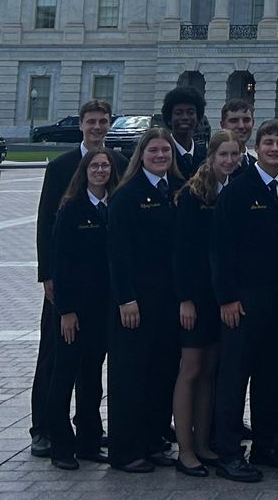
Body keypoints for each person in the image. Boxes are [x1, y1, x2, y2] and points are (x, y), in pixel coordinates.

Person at [210, 118, 278, 481]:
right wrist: (227, 298)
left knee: (271, 376)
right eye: (269, 143)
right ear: (256, 149)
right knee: (234, 377)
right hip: (244, 301)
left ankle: (267, 443)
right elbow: (221, 250)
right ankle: (227, 450)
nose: (275, 149)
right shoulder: (238, 191)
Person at [31, 99, 119, 459]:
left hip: (99, 291)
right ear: (81, 124)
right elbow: (45, 225)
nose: (97, 127)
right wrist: (47, 276)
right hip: (63, 284)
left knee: (89, 365)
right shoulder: (61, 166)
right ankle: (44, 429)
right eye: (91, 122)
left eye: (103, 122)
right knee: (54, 357)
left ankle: (86, 432)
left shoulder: (117, 164)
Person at [107, 127, 184, 472]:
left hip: (167, 301)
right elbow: (118, 253)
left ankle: (154, 441)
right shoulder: (127, 195)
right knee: (131, 375)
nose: (160, 156)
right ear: (142, 155)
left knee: (161, 373)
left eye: (165, 151)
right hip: (136, 302)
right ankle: (125, 449)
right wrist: (125, 298)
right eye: (153, 151)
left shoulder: (176, 191)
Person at [172, 129, 242, 475]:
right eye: (223, 155)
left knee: (210, 371)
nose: (229, 161)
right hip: (196, 296)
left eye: (234, 155)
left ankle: (202, 442)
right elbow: (182, 252)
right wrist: (185, 299)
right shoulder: (193, 195)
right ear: (211, 158)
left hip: (220, 295)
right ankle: (185, 450)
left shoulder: (234, 190)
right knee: (191, 369)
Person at [45, 147, 118, 468]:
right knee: (64, 375)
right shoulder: (71, 209)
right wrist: (65, 311)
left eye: (105, 166)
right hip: (75, 309)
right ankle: (61, 444)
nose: (101, 170)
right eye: (95, 166)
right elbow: (60, 265)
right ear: (84, 172)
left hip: (103, 309)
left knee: (91, 376)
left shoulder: (114, 206)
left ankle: (88, 440)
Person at [161, 84, 207, 179]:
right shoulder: (161, 155)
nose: (185, 117)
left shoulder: (206, 155)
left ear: (198, 117)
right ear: (169, 118)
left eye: (190, 112)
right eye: (178, 113)